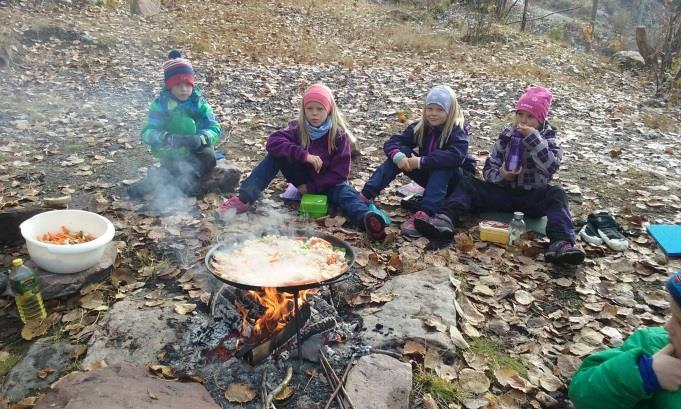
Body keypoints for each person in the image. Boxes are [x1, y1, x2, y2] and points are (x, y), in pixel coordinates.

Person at [419, 86, 585, 264]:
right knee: (468, 183)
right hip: (503, 192)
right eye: (520, 115)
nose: (524, 121)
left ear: (541, 119)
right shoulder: (507, 135)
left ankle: (561, 243)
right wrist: (502, 174)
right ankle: (445, 220)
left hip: (532, 196)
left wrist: (533, 139)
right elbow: (489, 169)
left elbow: (551, 166)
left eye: (530, 117)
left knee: (557, 194)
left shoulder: (549, 139)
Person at [218, 84, 388, 241]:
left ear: (328, 110)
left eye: (320, 109)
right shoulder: (297, 128)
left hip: (330, 183)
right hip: (303, 178)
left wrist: (312, 188)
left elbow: (340, 173)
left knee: (347, 195)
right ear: (303, 109)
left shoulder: (339, 136)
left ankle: (366, 220)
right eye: (310, 108)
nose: (314, 113)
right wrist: (304, 155)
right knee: (275, 156)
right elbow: (273, 142)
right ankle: (244, 199)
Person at [359, 85, 476, 238]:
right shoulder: (421, 127)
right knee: (403, 151)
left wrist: (420, 162)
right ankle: (366, 194)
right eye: (430, 108)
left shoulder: (457, 131)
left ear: (450, 112)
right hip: (431, 179)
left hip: (455, 184)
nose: (433, 114)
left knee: (442, 163)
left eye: (440, 110)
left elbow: (456, 156)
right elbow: (392, 142)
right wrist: (398, 156)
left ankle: (426, 213)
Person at [568, 271, 681, 408]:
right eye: (672, 315)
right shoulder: (650, 345)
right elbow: (582, 391)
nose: (667, 326)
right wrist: (641, 374)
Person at [127, 50, 222, 199]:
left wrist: (201, 138)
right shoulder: (161, 105)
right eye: (178, 85)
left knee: (209, 157)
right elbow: (148, 131)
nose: (184, 89)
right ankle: (157, 181)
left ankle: (190, 181)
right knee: (171, 169)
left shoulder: (199, 104)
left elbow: (214, 128)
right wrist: (167, 138)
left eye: (187, 85)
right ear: (169, 86)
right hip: (171, 149)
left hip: (195, 149)